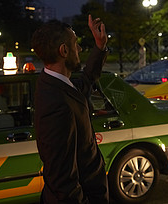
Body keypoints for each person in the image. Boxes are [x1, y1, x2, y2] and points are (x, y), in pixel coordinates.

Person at [31, 15, 109, 204]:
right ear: (64, 50)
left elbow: (87, 79)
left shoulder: (55, 83)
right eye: (76, 44)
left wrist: (100, 46)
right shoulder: (57, 104)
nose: (80, 49)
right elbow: (62, 180)